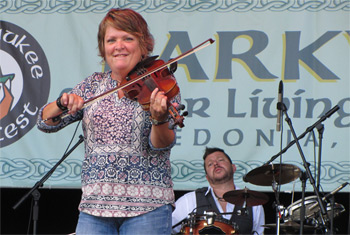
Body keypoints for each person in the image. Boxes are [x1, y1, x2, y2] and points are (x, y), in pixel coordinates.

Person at [37, 8, 181, 235]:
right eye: (111, 40)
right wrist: (62, 103)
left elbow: (161, 144)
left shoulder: (158, 84)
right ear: (103, 48)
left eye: (128, 38)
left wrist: (159, 118)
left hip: (147, 209)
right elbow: (45, 122)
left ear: (143, 45)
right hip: (94, 210)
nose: (119, 46)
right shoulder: (91, 85)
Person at [172, 147, 265, 235]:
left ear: (233, 168)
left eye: (220, 160)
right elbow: (166, 228)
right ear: (207, 177)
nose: (216, 163)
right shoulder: (190, 200)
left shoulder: (253, 203)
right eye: (210, 164)